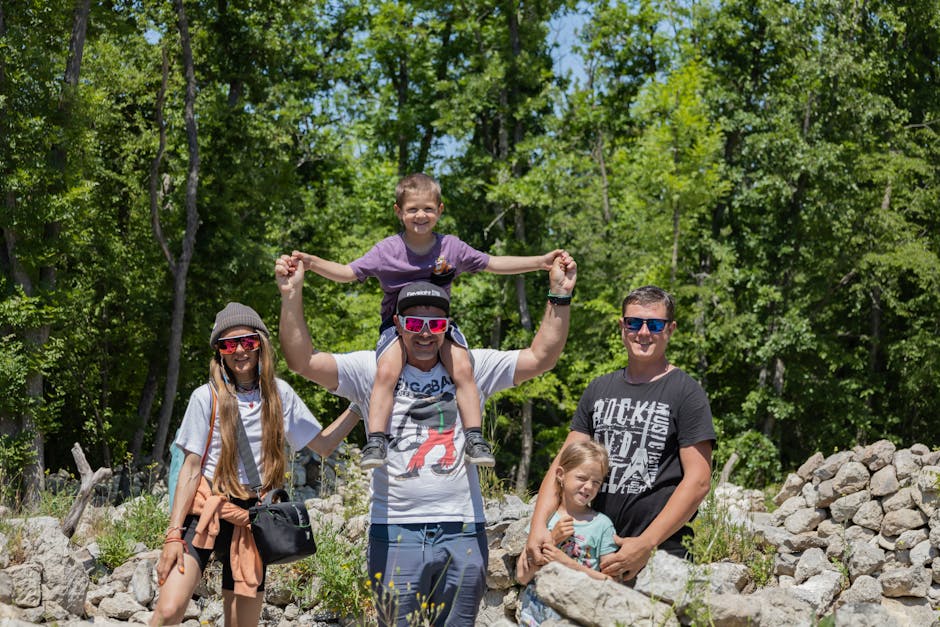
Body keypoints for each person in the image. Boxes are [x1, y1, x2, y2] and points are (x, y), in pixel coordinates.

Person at [275, 251, 577, 627]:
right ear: (398, 324)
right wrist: (291, 295)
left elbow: (542, 357)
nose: (423, 332)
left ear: (447, 328)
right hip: (395, 529)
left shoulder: (472, 365)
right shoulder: (371, 368)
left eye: (435, 325)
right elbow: (302, 360)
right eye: (414, 322)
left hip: (463, 529)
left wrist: (559, 296)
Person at [292, 172, 564, 470]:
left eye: (428, 209)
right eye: (412, 209)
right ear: (398, 211)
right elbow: (347, 273)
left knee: (463, 367)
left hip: (438, 327)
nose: (420, 215)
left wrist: (539, 262)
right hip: (399, 328)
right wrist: (312, 263)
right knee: (386, 371)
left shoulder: (451, 248)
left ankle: (474, 437)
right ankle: (377, 440)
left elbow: (492, 263)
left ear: (440, 210)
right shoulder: (387, 251)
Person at [151, 302, 359, 627]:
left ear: (261, 343)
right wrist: (173, 536)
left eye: (247, 341)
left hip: (253, 519)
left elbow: (323, 445)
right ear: (219, 352)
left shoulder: (280, 395)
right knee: (168, 611)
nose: (238, 351)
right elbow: (190, 470)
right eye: (228, 344)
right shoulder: (205, 398)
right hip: (208, 512)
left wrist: (359, 406)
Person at [525, 285, 715, 582]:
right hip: (591, 551)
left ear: (670, 329)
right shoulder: (598, 389)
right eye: (633, 322)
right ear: (621, 326)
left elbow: (699, 480)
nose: (643, 332)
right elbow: (565, 462)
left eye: (654, 324)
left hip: (660, 556)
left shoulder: (686, 393)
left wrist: (646, 544)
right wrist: (539, 526)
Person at [515, 440, 618, 626]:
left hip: (578, 616)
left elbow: (611, 583)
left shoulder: (602, 525)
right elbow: (522, 575)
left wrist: (568, 563)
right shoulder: (544, 520)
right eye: (581, 478)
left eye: (596, 482)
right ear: (561, 475)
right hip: (534, 615)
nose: (588, 487)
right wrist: (552, 539)